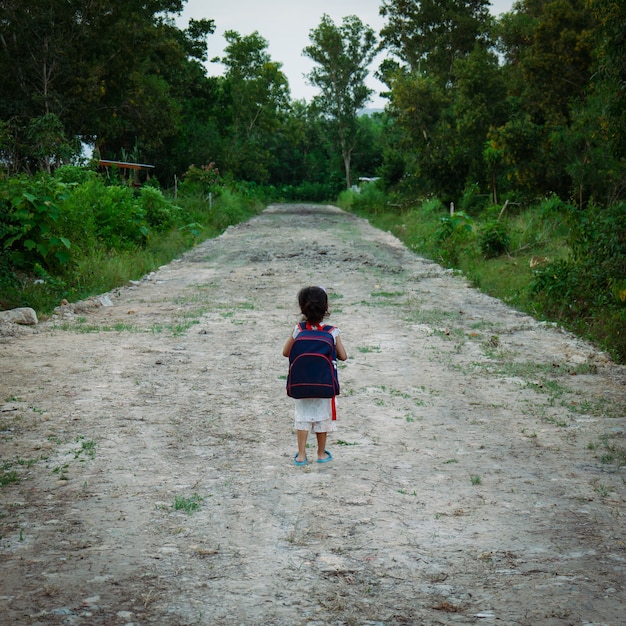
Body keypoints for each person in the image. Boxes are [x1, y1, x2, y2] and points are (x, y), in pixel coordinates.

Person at [283, 286, 348, 466]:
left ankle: (302, 455)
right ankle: (320, 453)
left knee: (303, 417)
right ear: (325, 308)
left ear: (302, 307)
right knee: (322, 417)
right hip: (324, 385)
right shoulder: (332, 331)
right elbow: (343, 356)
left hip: (301, 384)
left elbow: (285, 352)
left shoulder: (298, 329)